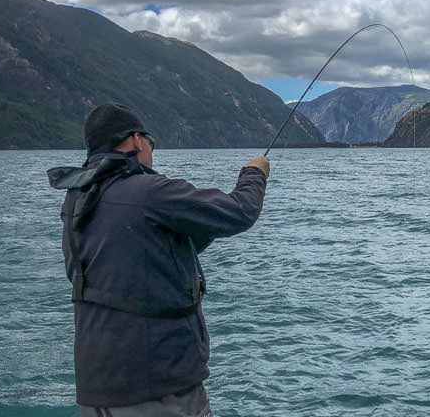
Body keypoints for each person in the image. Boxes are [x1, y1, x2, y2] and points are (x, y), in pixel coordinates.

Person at [47, 102, 270, 416]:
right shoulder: (149, 191)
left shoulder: (78, 201)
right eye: (151, 143)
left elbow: (135, 259)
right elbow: (239, 212)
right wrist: (254, 174)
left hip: (96, 388)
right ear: (137, 140)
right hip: (158, 385)